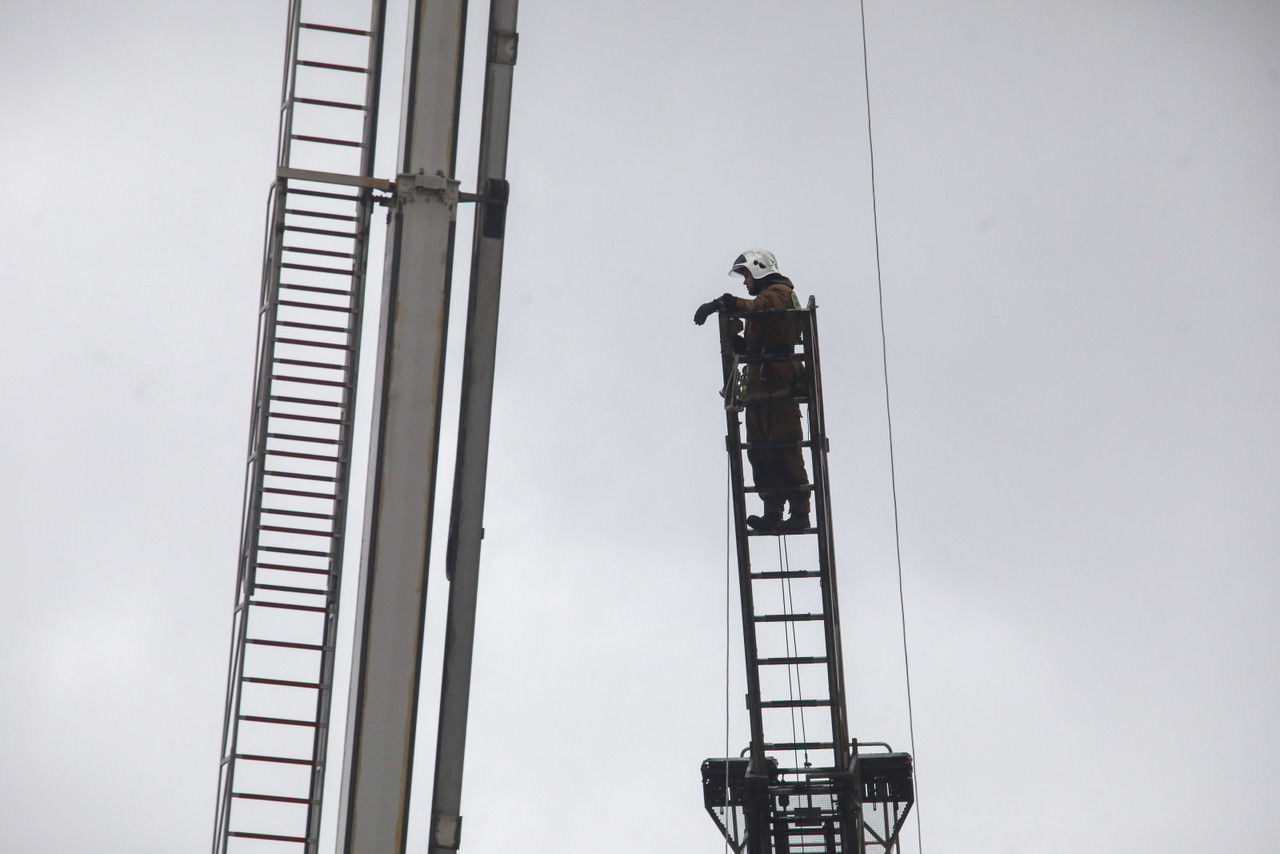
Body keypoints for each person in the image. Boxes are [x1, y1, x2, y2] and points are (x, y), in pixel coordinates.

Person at [694, 250, 811, 533]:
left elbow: (763, 307)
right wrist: (741, 345)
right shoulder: (765, 299)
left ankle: (799, 513)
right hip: (760, 389)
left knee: (785, 449)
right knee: (760, 453)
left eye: (746, 275)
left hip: (779, 385)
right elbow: (762, 327)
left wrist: (725, 303)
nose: (745, 283)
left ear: (759, 268)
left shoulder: (779, 292)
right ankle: (772, 511)